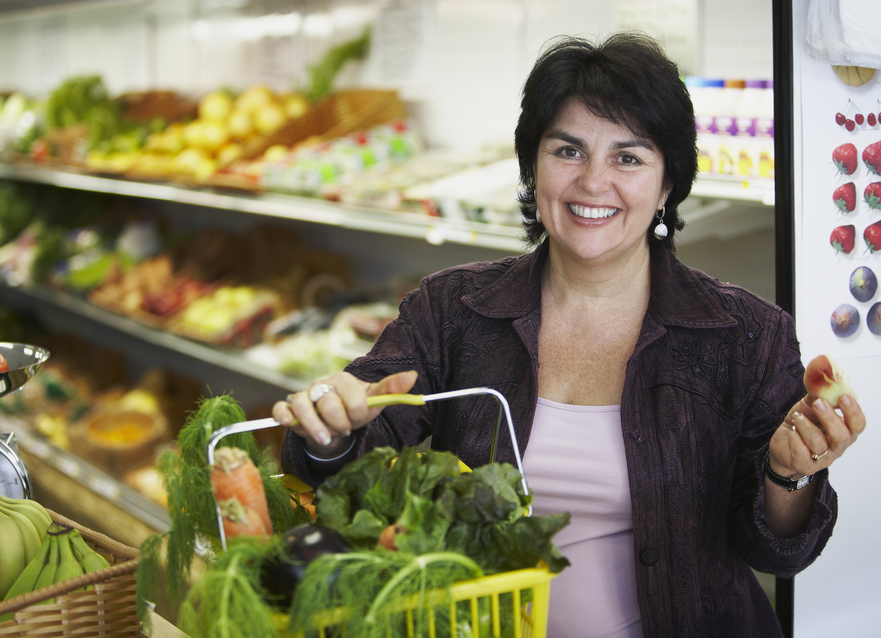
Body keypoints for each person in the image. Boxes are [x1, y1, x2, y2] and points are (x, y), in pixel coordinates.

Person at [274, 32, 865, 637]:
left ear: (666, 185)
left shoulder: (746, 334)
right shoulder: (453, 307)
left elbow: (779, 552)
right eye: (568, 151)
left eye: (628, 157)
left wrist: (788, 474)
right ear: (534, 166)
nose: (592, 182)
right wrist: (331, 427)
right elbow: (347, 449)